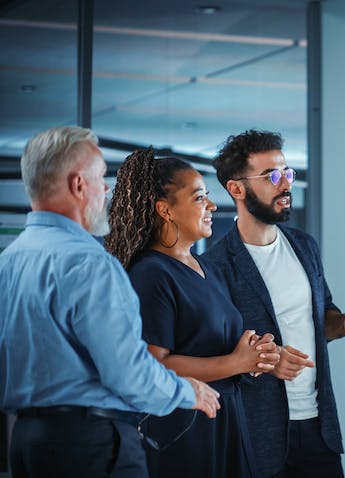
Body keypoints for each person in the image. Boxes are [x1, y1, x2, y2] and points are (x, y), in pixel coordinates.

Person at [0, 126, 221, 478]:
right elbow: (127, 372)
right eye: (101, 177)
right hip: (91, 446)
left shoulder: (10, 260)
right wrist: (186, 391)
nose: (105, 190)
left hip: (26, 443)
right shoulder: (89, 262)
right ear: (78, 185)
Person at [203, 129, 345, 478]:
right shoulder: (215, 267)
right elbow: (215, 355)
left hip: (319, 429)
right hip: (257, 435)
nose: (285, 184)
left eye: (287, 173)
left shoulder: (304, 246)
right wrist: (266, 362)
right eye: (272, 176)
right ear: (236, 188)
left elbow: (321, 320)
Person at [105, 148, 281, 478]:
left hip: (226, 419)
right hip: (185, 431)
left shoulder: (205, 268)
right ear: (165, 210)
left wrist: (255, 357)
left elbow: (212, 344)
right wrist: (235, 362)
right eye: (199, 198)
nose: (212, 206)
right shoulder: (151, 274)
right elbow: (153, 364)